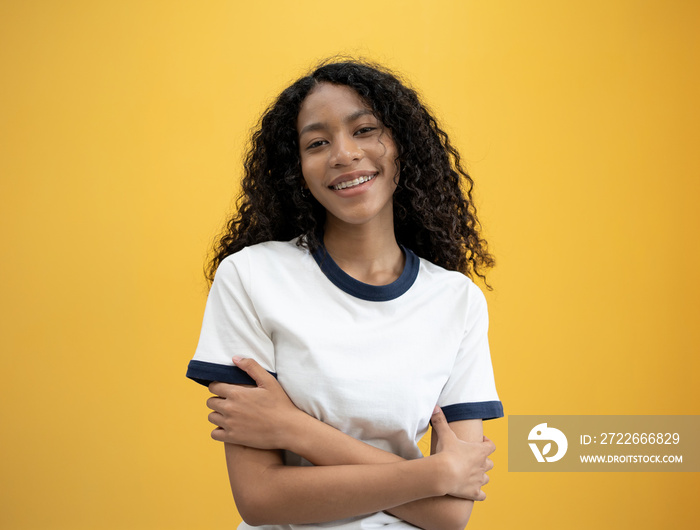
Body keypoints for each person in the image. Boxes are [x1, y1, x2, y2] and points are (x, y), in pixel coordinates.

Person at [187, 58, 503, 530]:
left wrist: (293, 429)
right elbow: (259, 497)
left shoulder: (457, 301)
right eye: (317, 142)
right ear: (298, 170)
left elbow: (452, 512)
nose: (343, 153)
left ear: (403, 147)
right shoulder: (251, 277)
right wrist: (431, 474)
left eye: (365, 130)